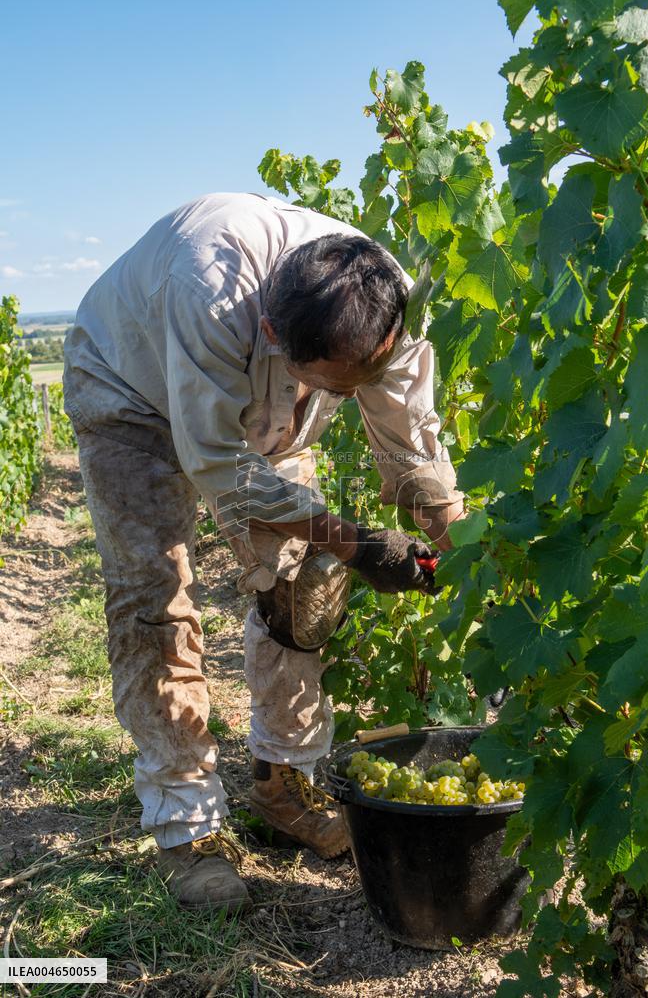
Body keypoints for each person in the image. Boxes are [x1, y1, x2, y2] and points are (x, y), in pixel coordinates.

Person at [63, 192, 465, 913]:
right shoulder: (207, 290)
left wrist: (451, 539)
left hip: (269, 416)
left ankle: (286, 780)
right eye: (338, 387)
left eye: (361, 378)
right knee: (156, 604)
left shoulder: (378, 295)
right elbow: (216, 461)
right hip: (131, 391)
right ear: (277, 335)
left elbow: (409, 431)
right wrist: (358, 540)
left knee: (305, 592)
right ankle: (186, 826)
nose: (354, 397)